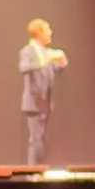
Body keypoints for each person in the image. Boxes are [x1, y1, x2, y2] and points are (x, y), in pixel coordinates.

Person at [19, 20, 66, 169]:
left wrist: (60, 63)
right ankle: (32, 174)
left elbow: (51, 71)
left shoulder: (46, 52)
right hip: (34, 102)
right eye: (47, 30)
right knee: (35, 140)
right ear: (39, 33)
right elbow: (24, 68)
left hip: (45, 102)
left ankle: (39, 170)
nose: (50, 33)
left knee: (42, 140)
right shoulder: (27, 51)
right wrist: (47, 60)